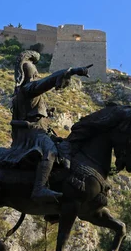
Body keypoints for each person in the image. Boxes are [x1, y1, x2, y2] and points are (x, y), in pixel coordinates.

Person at [8, 50, 91, 203]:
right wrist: (72, 71)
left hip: (40, 131)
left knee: (65, 151)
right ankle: (39, 189)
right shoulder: (28, 89)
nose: (37, 76)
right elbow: (48, 82)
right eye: (35, 74)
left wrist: (46, 113)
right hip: (32, 134)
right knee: (50, 151)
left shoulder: (25, 92)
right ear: (31, 75)